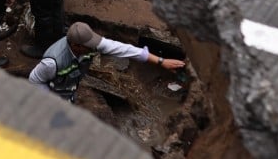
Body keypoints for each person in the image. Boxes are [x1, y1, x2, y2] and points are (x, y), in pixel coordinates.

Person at [29, 22, 186, 103]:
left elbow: (123, 49)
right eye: (90, 45)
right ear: (76, 46)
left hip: (68, 92)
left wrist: (160, 61)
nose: (95, 47)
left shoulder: (90, 44)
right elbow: (35, 80)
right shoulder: (52, 62)